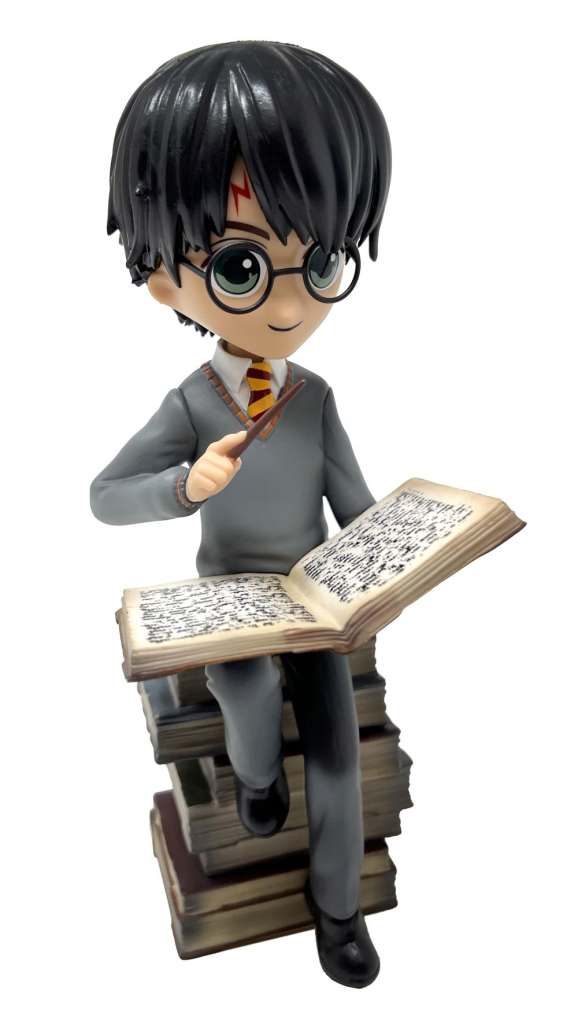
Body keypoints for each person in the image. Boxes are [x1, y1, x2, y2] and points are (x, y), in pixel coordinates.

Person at [91, 40, 392, 988]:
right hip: (231, 594)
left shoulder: (316, 398)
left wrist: (393, 554)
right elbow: (105, 496)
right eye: (240, 265)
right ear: (165, 278)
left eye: (322, 260)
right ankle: (256, 778)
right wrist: (184, 488)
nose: (292, 303)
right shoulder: (192, 403)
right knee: (248, 691)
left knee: (338, 756)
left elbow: (354, 502)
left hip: (313, 598)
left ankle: (337, 909)